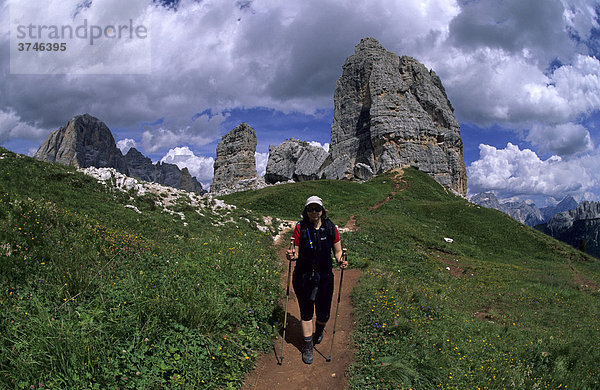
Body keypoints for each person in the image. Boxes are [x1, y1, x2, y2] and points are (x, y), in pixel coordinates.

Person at [286, 195, 348, 364]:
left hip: (325, 276)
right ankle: (307, 346)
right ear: (306, 211)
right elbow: (296, 251)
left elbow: (337, 251)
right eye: (310, 209)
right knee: (306, 311)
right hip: (303, 276)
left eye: (317, 209)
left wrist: (341, 259)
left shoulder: (330, 228)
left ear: (322, 211)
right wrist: (292, 255)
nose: (314, 212)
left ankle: (319, 329)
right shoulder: (300, 228)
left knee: (324, 312)